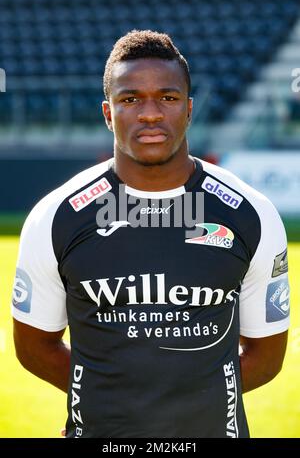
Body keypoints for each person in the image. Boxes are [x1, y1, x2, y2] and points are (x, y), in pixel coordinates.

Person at [12, 30, 290, 438]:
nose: (150, 113)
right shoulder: (55, 216)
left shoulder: (252, 214)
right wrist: (113, 395)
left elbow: (267, 355)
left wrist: (189, 399)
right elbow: (35, 347)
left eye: (168, 97)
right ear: (108, 114)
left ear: (189, 109)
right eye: (130, 99)